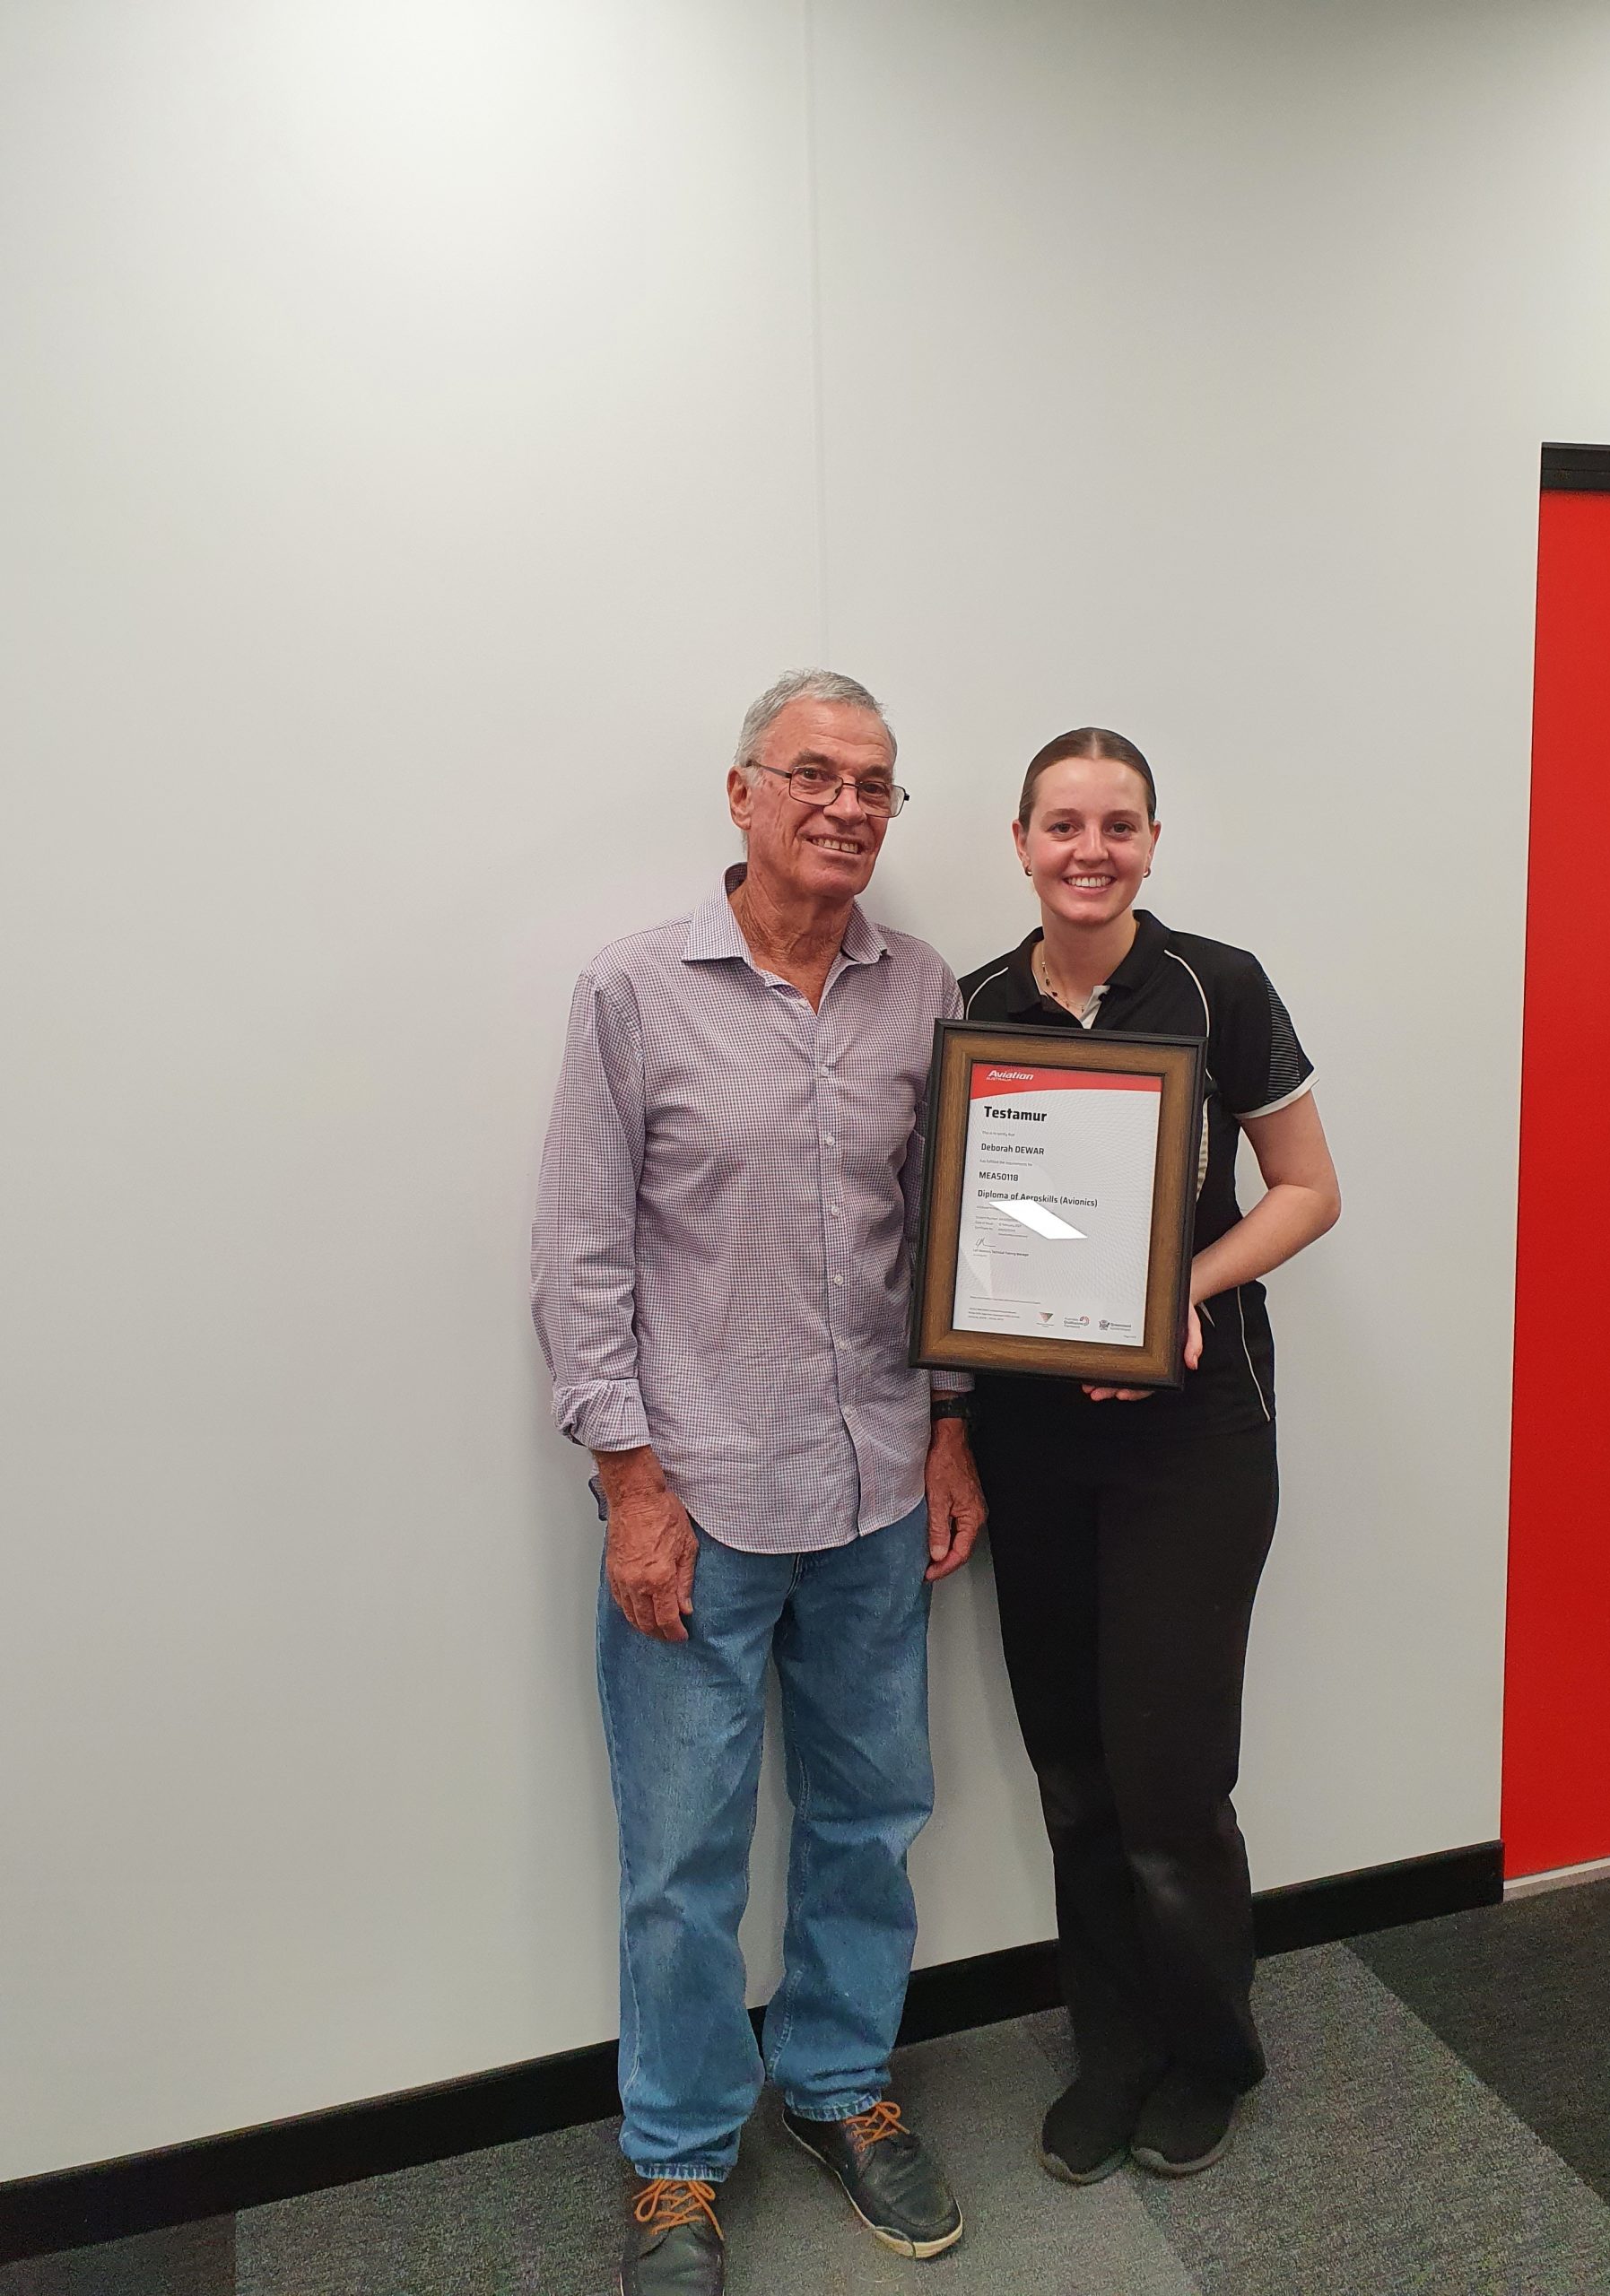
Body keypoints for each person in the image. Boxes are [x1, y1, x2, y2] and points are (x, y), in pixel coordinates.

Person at [532, 671, 985, 2296]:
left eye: (877, 786)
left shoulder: (923, 988)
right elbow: (581, 1258)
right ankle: (675, 2163)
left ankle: (842, 2086)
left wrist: (950, 1429)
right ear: (742, 794)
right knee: (681, 1859)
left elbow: (948, 1236)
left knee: (871, 1820)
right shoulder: (636, 992)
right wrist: (629, 1484)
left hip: (876, 1487)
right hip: (701, 1504)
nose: (849, 807)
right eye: (816, 776)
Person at [957, 726, 1340, 2187]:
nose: (1090, 850)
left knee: (1171, 1779)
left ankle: (1209, 2054)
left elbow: (1309, 1191)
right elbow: (978, 1227)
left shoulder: (1216, 987)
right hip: (1036, 1443)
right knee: (1074, 1773)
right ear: (1021, 841)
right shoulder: (980, 1004)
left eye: (1118, 824)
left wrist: (1173, 1288)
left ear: (1153, 843)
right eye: (1063, 824)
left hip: (1197, 1441)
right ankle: (1110, 2048)